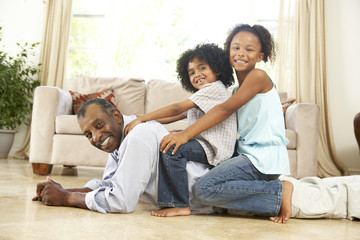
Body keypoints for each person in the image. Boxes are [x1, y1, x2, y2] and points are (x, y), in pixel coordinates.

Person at [158, 24, 293, 223]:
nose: (241, 53)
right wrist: (178, 130)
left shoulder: (258, 76)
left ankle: (278, 191)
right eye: (236, 47)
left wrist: (185, 135)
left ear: (260, 57)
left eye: (249, 49)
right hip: (246, 153)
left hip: (263, 159)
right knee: (184, 155)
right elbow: (219, 119)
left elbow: (223, 111)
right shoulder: (235, 91)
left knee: (204, 190)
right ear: (228, 51)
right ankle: (178, 202)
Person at [32, 98, 213, 214]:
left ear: (117, 117)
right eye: (88, 134)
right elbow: (111, 184)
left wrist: (65, 199)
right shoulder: (120, 138)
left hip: (210, 199)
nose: (96, 137)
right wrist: (64, 190)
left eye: (99, 124)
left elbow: (122, 201)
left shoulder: (138, 136)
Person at [124, 43, 237, 217]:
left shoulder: (214, 89)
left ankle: (179, 204)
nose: (197, 74)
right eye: (191, 72)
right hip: (205, 144)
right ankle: (150, 194)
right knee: (168, 140)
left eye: (202, 68)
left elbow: (176, 108)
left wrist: (143, 118)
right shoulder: (203, 94)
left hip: (214, 148)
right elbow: (175, 116)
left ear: (218, 69)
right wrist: (144, 118)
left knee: (171, 148)